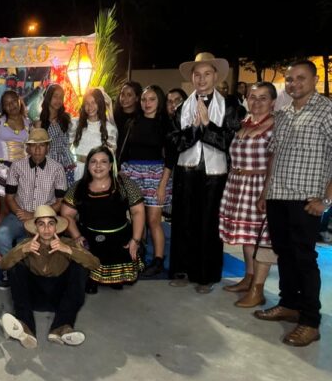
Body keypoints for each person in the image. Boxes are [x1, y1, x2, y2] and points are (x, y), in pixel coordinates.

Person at [254, 60, 332, 347]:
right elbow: (274, 155)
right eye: (289, 79)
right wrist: (265, 193)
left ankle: (311, 321)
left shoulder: (326, 111)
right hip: (278, 196)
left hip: (306, 199)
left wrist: (326, 199)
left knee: (304, 258)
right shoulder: (283, 113)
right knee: (283, 253)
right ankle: (289, 303)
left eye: (300, 78)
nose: (294, 84)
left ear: (314, 79)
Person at [168, 52, 242, 293]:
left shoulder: (230, 106)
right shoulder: (181, 108)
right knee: (183, 221)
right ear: (192, 77)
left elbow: (231, 142)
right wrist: (194, 129)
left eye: (206, 74)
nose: (201, 79)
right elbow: (173, 143)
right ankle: (182, 270)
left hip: (215, 174)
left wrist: (208, 125)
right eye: (197, 74)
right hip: (186, 171)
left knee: (209, 224)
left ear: (215, 76)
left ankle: (206, 275)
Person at [0, 205, 100, 349]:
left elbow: (95, 264)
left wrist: (68, 250)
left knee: (80, 266)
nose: (46, 229)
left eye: (50, 224)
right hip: (35, 297)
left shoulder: (68, 242)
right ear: (36, 228)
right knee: (15, 267)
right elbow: (3, 264)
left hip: (61, 299)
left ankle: (61, 328)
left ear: (56, 227)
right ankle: (25, 326)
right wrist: (23, 251)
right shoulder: (27, 243)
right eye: (41, 224)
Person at [219, 82, 277, 308]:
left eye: (263, 98)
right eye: (253, 97)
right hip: (238, 184)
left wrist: (265, 192)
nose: (257, 102)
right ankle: (248, 277)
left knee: (260, 238)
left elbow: (273, 161)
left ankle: (257, 288)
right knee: (245, 236)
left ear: (272, 102)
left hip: (258, 184)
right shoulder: (245, 124)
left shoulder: (274, 126)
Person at [62, 146, 146, 292]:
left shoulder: (124, 184)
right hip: (90, 239)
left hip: (120, 239)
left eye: (103, 162)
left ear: (110, 165)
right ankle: (91, 279)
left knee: (119, 274)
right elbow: (66, 214)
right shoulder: (78, 187)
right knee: (85, 262)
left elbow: (138, 211)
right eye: (93, 162)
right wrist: (76, 236)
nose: (98, 166)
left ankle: (115, 278)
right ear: (88, 166)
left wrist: (136, 240)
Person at [0, 128, 67, 288]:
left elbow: (60, 201)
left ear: (48, 147)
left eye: (42, 145)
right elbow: (10, 197)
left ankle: (25, 275)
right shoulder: (17, 166)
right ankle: (9, 271)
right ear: (27, 148)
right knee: (1, 235)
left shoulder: (57, 168)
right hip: (19, 214)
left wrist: (35, 216)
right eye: (34, 145)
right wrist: (21, 213)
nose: (38, 149)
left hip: (44, 219)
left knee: (26, 243)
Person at [118, 85, 174, 277]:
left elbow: (170, 158)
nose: (147, 103)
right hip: (132, 173)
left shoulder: (166, 125)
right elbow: (123, 151)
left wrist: (162, 186)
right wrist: (123, 172)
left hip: (156, 174)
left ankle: (158, 260)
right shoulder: (132, 122)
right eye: (144, 99)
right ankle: (139, 256)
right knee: (137, 218)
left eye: (152, 99)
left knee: (153, 220)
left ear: (159, 102)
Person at [72, 88, 118, 181]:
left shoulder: (109, 128)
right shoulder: (75, 124)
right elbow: (67, 148)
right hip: (79, 171)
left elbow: (112, 157)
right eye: (87, 103)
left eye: (94, 103)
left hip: (99, 173)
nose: (90, 107)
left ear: (100, 104)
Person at [36, 84, 77, 185]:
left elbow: (71, 141)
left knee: (68, 197)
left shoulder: (66, 118)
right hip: (49, 165)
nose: (58, 100)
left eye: (61, 97)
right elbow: (37, 148)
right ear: (48, 97)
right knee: (51, 198)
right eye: (55, 96)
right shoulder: (40, 123)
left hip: (68, 163)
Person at [114, 81, 142, 157]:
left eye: (129, 95)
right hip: (115, 160)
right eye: (122, 94)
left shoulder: (140, 119)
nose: (124, 98)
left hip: (133, 162)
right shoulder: (113, 117)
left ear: (137, 98)